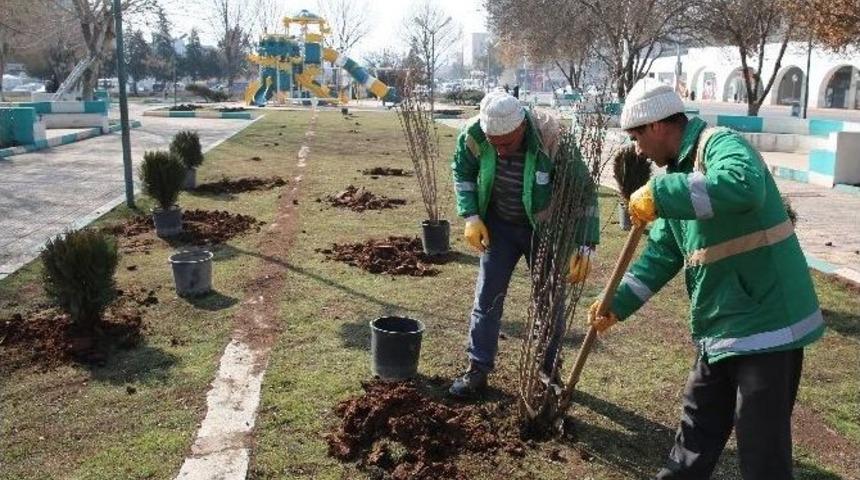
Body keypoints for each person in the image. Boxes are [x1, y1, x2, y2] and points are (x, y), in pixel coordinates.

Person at [587, 78, 824, 479]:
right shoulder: (679, 171)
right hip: (720, 327)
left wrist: (661, 193)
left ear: (659, 125)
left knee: (762, 451)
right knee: (695, 431)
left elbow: (742, 187)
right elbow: (662, 252)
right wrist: (617, 303)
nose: (638, 149)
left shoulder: (720, 144)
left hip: (767, 326)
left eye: (637, 137)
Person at [449, 90, 600, 398]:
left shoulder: (552, 139)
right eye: (495, 144)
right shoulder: (476, 134)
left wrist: (585, 245)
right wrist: (471, 215)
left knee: (549, 301)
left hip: (543, 231)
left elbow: (583, 192)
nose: (501, 151)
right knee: (487, 298)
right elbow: (462, 171)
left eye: (507, 143)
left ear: (521, 127)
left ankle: (547, 372)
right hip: (498, 227)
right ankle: (478, 369)